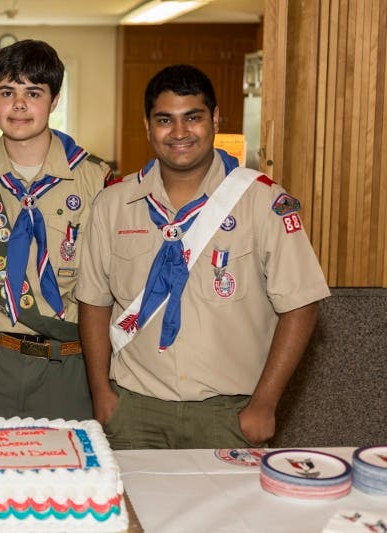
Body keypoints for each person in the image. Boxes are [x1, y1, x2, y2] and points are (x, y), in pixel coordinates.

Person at [76, 64, 331, 449]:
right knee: (131, 511)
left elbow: (302, 305)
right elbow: (93, 303)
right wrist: (101, 394)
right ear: (148, 126)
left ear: (214, 119)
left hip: (230, 412)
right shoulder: (113, 204)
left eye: (192, 118)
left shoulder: (262, 202)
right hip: (134, 409)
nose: (179, 133)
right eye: (165, 120)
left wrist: (264, 404)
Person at [0, 39, 113, 421]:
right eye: (7, 92)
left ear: (54, 100)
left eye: (33, 93)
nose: (19, 105)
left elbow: (113, 282)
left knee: (68, 474)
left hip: (70, 363)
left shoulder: (96, 179)